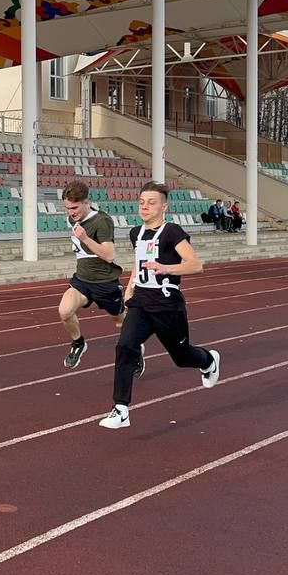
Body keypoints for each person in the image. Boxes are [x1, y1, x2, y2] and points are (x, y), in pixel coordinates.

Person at [101, 181, 221, 429]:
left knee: (182, 356)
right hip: (142, 303)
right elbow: (139, 261)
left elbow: (195, 264)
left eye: (151, 202)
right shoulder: (136, 233)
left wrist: (166, 268)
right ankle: (121, 409)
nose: (145, 207)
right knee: (125, 345)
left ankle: (208, 360)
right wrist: (131, 285)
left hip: (168, 306)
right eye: (142, 202)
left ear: (164, 207)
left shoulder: (172, 232)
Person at [58, 181, 126, 370]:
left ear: (86, 202)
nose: (71, 212)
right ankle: (79, 342)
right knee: (65, 311)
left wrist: (85, 238)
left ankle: (134, 347)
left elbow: (109, 255)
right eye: (67, 208)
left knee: (121, 323)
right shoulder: (73, 219)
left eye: (74, 207)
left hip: (105, 282)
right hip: (82, 280)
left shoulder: (102, 221)